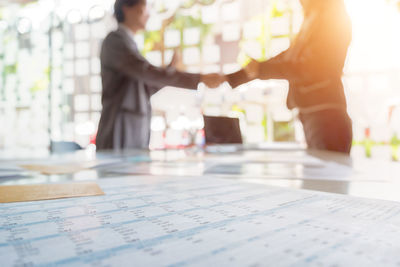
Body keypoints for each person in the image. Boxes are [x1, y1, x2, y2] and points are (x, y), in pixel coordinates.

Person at [96, 0, 225, 150]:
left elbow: (146, 86)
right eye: (145, 8)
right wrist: (199, 78)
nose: (149, 14)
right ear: (127, 9)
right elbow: (147, 72)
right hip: (119, 129)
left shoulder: (129, 43)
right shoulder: (115, 41)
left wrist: (170, 69)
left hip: (135, 130)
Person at [227, 0, 353, 154]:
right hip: (313, 112)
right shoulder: (314, 18)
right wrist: (236, 77)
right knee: (317, 173)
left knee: (325, 174)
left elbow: (311, 67)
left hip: (326, 116)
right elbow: (290, 56)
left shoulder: (331, 17)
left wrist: (260, 69)